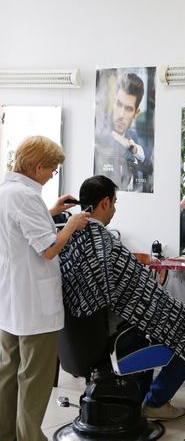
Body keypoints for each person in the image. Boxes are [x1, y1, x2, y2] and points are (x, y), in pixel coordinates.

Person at [58, 175, 185, 421]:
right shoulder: (106, 245)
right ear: (104, 203)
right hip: (107, 338)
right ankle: (155, 402)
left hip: (76, 339)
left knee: (147, 325)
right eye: (114, 203)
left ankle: (138, 397)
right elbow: (146, 293)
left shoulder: (65, 238)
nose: (114, 209)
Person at [0, 136, 90, 441]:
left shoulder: (7, 190)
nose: (53, 174)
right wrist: (71, 224)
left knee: (7, 374)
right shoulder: (25, 197)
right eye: (52, 169)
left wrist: (50, 213)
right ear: (38, 166)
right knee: (34, 379)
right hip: (33, 305)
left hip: (10, 302)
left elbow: (20, 229)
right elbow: (48, 248)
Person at [94, 72, 153, 192]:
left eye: (128, 109)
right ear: (113, 102)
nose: (121, 115)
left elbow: (149, 166)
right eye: (119, 104)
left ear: (136, 113)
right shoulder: (99, 130)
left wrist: (133, 148)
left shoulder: (132, 136)